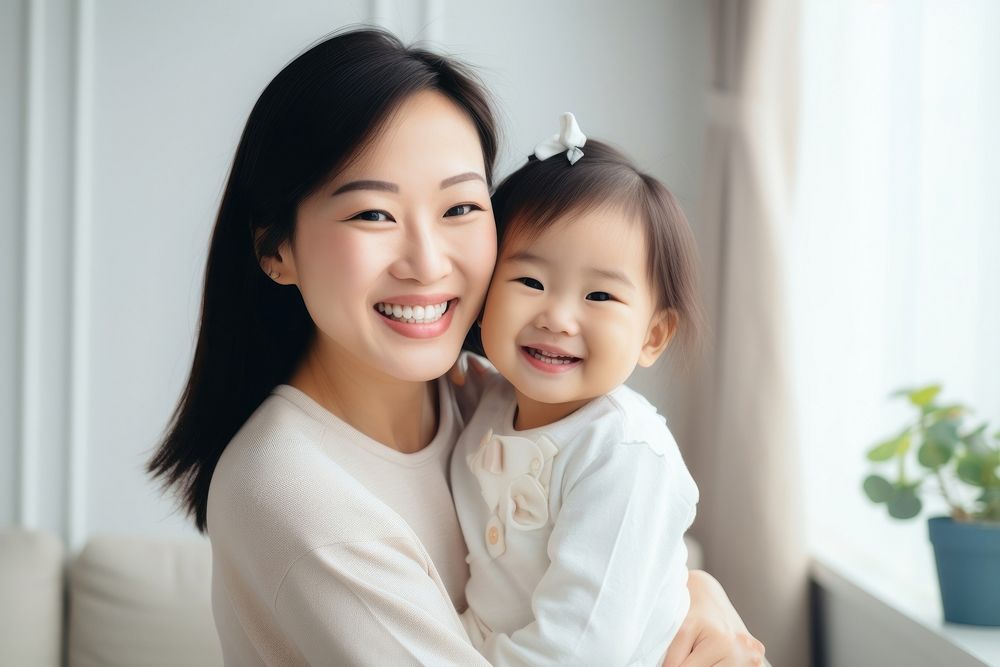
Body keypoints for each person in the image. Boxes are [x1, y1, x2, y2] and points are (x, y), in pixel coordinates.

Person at [146, 28, 766, 666]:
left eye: (461, 207)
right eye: (373, 215)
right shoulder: (288, 488)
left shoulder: (492, 403)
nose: (427, 262)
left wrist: (694, 591)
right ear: (276, 249)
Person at [451, 113, 701, 666]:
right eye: (531, 282)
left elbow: (583, 648)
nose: (559, 318)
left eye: (601, 297)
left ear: (653, 335)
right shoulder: (487, 401)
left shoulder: (624, 453)